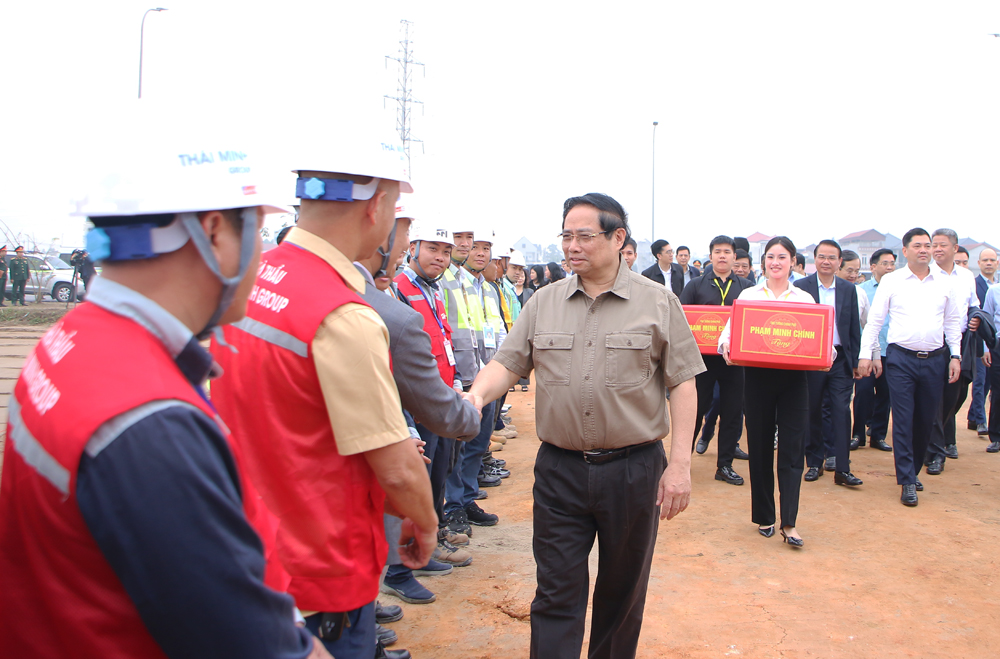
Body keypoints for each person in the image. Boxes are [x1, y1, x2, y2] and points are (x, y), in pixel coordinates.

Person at [0, 125, 330, 658]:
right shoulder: (151, 424)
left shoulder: (70, 338)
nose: (263, 255)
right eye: (258, 231)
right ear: (215, 232)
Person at [211, 133, 441, 658]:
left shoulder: (253, 277)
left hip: (252, 547)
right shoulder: (342, 313)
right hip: (321, 572)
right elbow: (398, 469)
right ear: (376, 207)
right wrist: (423, 520)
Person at [467, 193, 703, 659]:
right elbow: (507, 363)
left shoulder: (658, 302)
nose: (572, 246)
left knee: (622, 594)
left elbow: (683, 382)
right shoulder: (544, 302)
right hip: (560, 471)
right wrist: (475, 396)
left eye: (584, 236)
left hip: (633, 470)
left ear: (618, 239)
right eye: (566, 236)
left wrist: (679, 466)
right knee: (555, 591)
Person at [352, 218, 481, 621]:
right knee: (406, 489)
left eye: (446, 252)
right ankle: (398, 570)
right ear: (411, 249)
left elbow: (443, 339)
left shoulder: (433, 289)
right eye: (432, 249)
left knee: (436, 476)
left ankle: (420, 552)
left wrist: (456, 384)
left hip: (437, 398)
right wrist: (411, 421)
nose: (440, 258)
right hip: (414, 405)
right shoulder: (395, 291)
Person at [719, 236, 814, 548]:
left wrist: (825, 355)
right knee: (759, 448)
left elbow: (821, 340)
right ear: (764, 262)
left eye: (782, 257)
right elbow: (727, 335)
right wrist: (727, 347)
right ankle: (764, 516)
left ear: (793, 262)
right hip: (757, 379)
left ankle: (790, 522)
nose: (776, 262)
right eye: (771, 257)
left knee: (792, 449)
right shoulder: (748, 295)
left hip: (794, 381)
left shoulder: (804, 299)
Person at [858, 228, 963, 507]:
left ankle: (913, 470)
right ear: (905, 251)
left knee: (926, 420)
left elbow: (952, 322)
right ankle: (906, 480)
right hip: (901, 359)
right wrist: (866, 355)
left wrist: (956, 355)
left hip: (935, 359)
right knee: (903, 419)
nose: (924, 250)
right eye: (917, 246)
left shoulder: (944, 282)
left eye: (927, 245)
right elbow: (875, 321)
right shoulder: (892, 281)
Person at [443, 226, 506, 533]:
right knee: (457, 447)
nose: (478, 252)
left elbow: (497, 330)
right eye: (470, 243)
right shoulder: (448, 281)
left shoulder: (488, 288)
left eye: (484, 247)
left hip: (487, 373)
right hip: (462, 376)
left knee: (479, 442)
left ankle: (467, 498)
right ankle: (453, 505)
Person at [679, 235, 753, 486]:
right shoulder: (695, 285)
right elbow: (681, 319)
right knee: (695, 410)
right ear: (710, 256)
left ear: (735, 256)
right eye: (718, 251)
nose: (722, 256)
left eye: (727, 252)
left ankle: (725, 465)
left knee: (732, 413)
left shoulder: (746, 288)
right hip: (701, 362)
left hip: (734, 362)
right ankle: (681, 463)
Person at [795, 240, 863, 486]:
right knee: (811, 410)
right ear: (814, 260)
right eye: (822, 257)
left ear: (839, 262)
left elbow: (853, 326)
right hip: (811, 358)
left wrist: (855, 361)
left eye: (832, 257)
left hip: (840, 359)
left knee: (841, 411)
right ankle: (814, 462)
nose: (826, 261)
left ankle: (843, 468)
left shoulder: (848, 289)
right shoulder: (800, 288)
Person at [924, 229, 979, 473]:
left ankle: (933, 439)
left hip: (961, 342)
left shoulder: (966, 276)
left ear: (955, 248)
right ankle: (936, 452)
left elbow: (973, 305)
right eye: (933, 244)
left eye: (942, 245)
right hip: (934, 343)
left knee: (955, 396)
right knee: (934, 398)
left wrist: (976, 317)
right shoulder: (925, 274)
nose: (937, 249)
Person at [852, 248, 895, 452]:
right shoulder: (861, 290)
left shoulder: (898, 288)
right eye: (885, 263)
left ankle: (878, 436)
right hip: (866, 352)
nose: (889, 267)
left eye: (892, 264)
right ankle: (858, 434)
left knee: (885, 394)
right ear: (873, 267)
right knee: (863, 392)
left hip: (891, 349)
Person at [968, 247, 998, 435]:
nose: (989, 263)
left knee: (989, 383)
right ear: (979, 263)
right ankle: (980, 420)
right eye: (985, 260)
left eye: (992, 260)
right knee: (980, 381)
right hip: (980, 341)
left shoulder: (997, 286)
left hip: (995, 342)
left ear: (997, 263)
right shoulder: (974, 284)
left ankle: (973, 416)